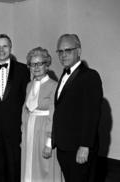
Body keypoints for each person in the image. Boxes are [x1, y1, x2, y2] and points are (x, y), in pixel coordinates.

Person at [52, 34, 103, 182]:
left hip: (79, 148)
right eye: (60, 51)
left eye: (68, 50)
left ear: (79, 51)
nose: (63, 55)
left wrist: (85, 146)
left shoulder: (90, 76)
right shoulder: (64, 74)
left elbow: (92, 114)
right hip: (64, 146)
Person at [0, 34, 30, 182]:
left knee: (15, 169)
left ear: (10, 47)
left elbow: (27, 101)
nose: (1, 50)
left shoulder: (23, 70)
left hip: (15, 130)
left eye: (5, 46)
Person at [21, 47, 63, 182]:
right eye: (32, 64)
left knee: (45, 170)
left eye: (40, 63)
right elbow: (25, 111)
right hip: (29, 133)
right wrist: (23, 134)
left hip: (44, 133)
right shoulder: (29, 85)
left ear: (47, 65)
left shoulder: (54, 86)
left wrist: (49, 143)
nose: (36, 67)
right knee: (29, 168)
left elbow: (54, 115)